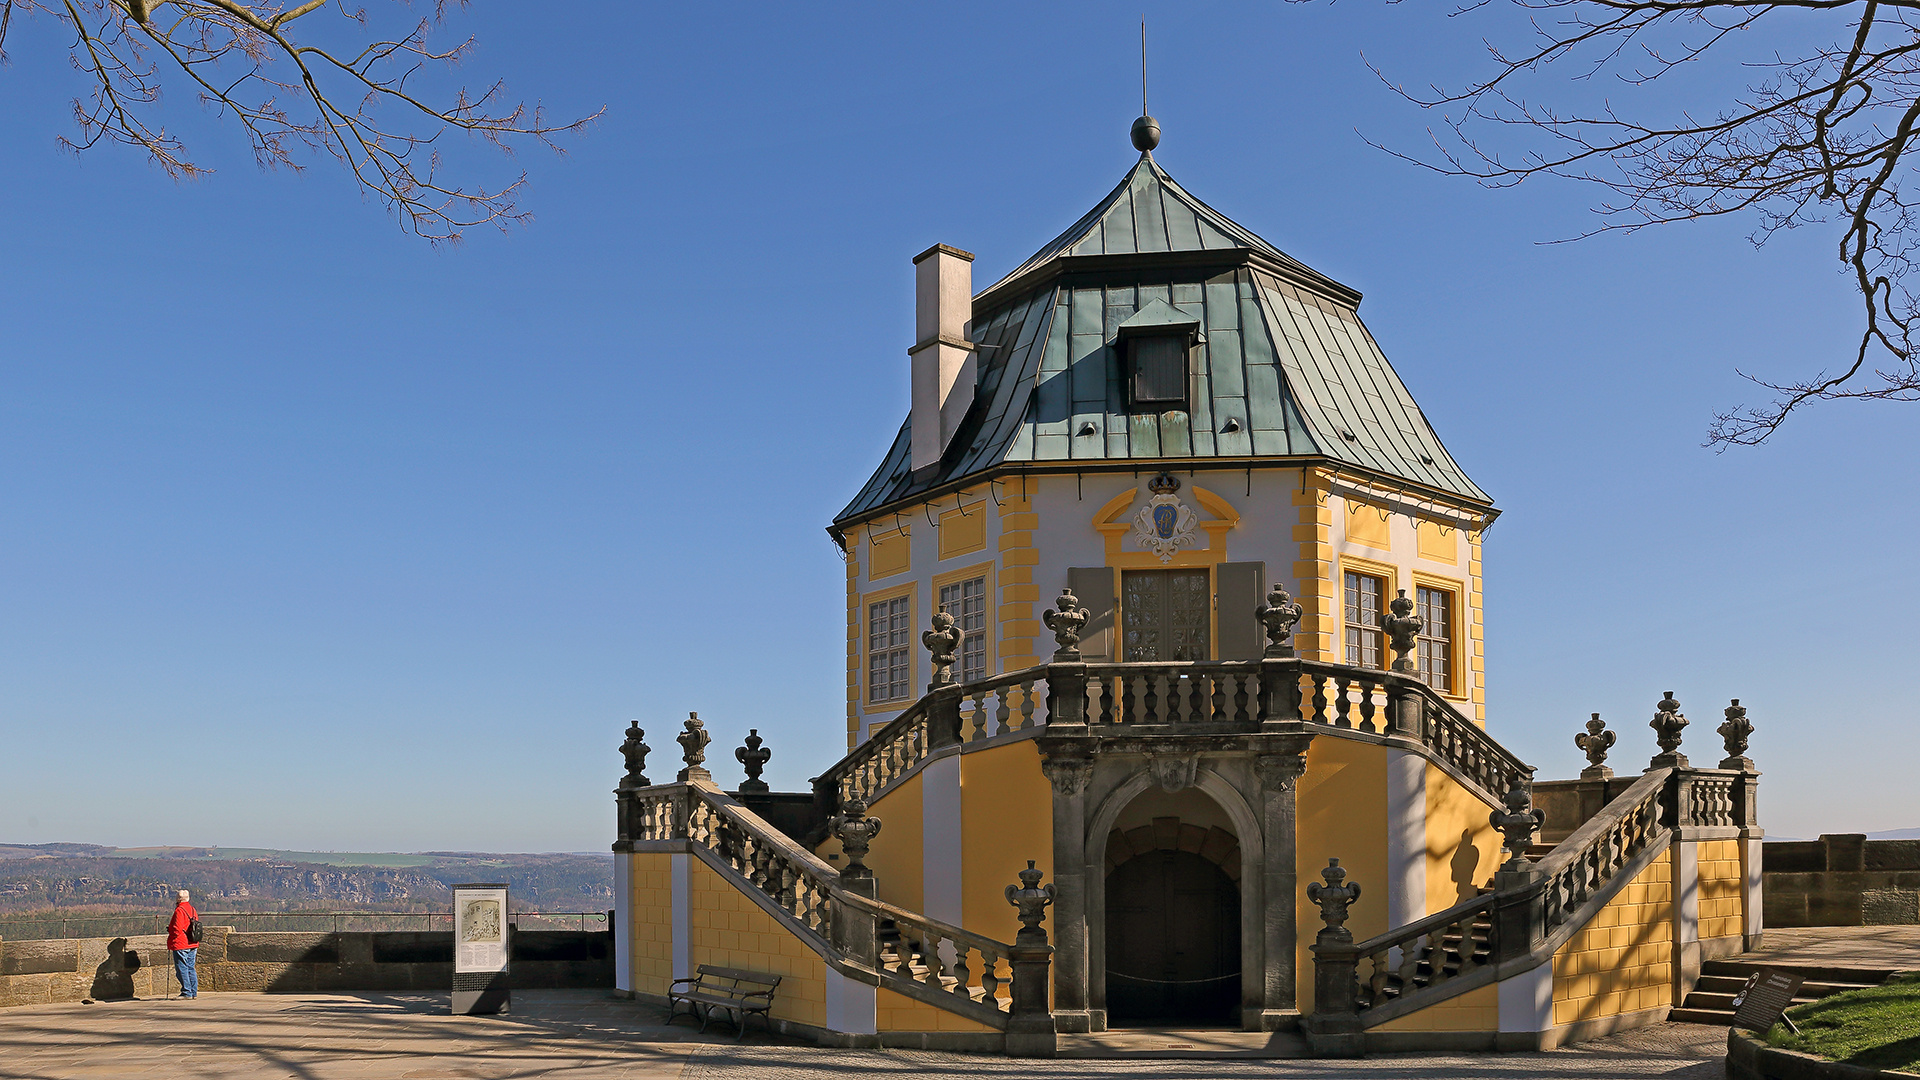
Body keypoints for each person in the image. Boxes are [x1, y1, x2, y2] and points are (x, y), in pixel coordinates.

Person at [167, 889, 199, 999]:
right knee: (190, 967)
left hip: (181, 943)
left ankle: (186, 992)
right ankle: (193, 992)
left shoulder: (179, 910)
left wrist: (171, 935)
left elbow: (177, 928)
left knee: (182, 968)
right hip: (192, 942)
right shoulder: (192, 909)